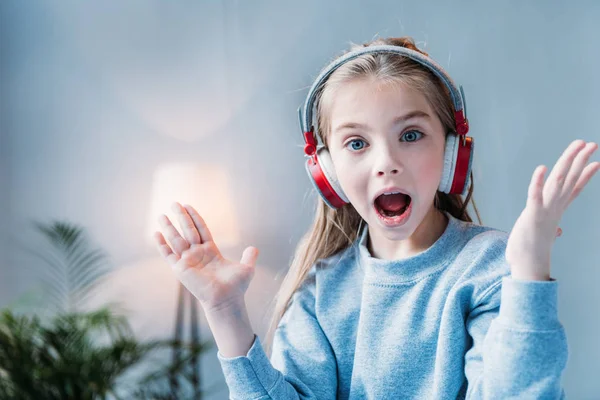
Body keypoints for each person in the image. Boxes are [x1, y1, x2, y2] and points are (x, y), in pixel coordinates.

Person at [154, 37, 599, 399]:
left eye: (410, 134)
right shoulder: (321, 291)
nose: (386, 162)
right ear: (326, 173)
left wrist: (527, 276)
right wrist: (225, 312)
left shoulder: (490, 267)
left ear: (451, 154)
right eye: (356, 143)